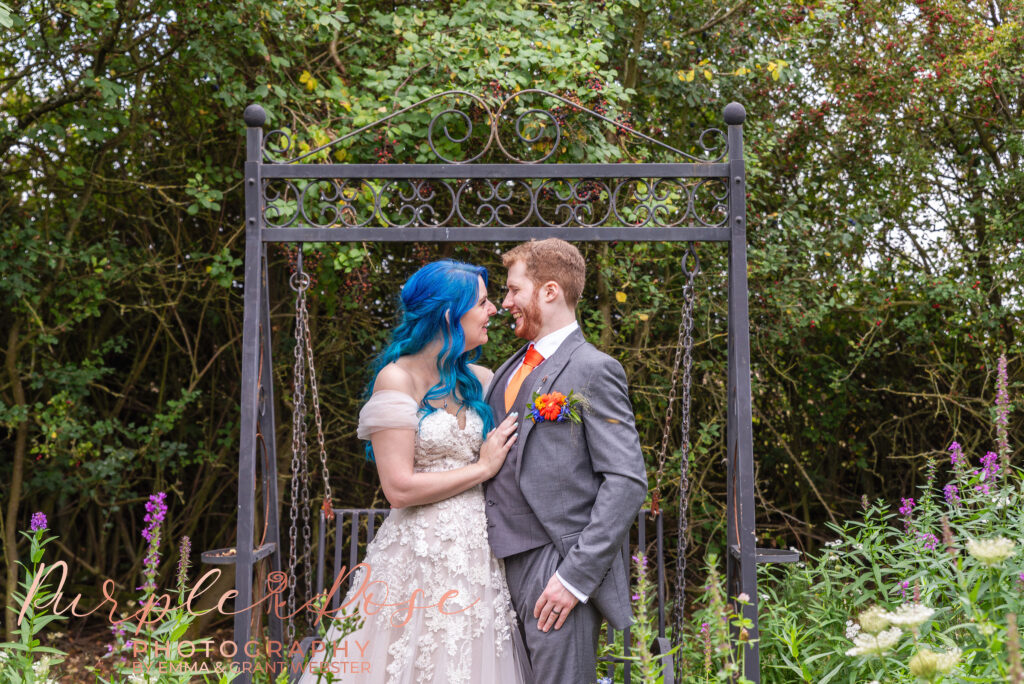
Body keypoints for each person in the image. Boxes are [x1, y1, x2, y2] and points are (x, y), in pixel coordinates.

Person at [299, 259, 528, 684]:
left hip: (479, 555)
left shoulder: (483, 380)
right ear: (448, 313)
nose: (494, 309)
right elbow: (399, 488)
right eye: (482, 302)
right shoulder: (396, 380)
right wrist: (482, 468)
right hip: (417, 556)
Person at [483, 239, 648, 683]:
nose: (506, 302)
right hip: (496, 563)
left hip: (555, 563)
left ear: (549, 291)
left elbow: (627, 481)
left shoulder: (594, 369)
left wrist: (574, 577)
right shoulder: (508, 367)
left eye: (515, 290)